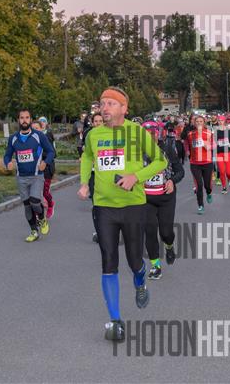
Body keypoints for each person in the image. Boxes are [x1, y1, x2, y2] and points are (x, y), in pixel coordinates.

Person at [77, 87, 167, 341]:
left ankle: (140, 280)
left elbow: (160, 161)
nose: (104, 108)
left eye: (111, 103)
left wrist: (135, 177)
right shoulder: (94, 134)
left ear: (124, 108)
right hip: (104, 206)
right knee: (108, 260)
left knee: (134, 261)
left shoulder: (137, 132)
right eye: (102, 103)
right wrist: (84, 183)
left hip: (133, 206)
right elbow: (87, 157)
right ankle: (115, 320)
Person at [4, 109, 56, 242]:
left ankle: (42, 219)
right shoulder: (13, 138)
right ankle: (34, 231)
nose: (24, 120)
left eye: (27, 117)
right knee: (27, 205)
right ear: (18, 120)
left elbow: (51, 151)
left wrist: (45, 162)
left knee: (35, 202)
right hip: (21, 177)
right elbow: (7, 155)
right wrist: (7, 163)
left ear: (30, 120)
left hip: (36, 175)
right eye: (22, 118)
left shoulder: (39, 135)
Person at [142, 120, 184, 279]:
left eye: (152, 133)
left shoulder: (167, 149)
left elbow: (180, 171)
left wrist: (172, 181)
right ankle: (155, 265)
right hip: (146, 198)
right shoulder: (136, 153)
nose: (150, 136)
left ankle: (169, 245)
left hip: (166, 197)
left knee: (166, 233)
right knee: (150, 231)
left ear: (158, 134)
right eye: (146, 134)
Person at [182, 114, 214, 214]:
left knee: (207, 185)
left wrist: (206, 145)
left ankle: (209, 193)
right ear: (194, 123)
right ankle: (200, 205)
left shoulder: (209, 133)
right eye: (197, 122)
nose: (199, 123)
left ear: (204, 123)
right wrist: (187, 151)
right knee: (199, 185)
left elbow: (213, 145)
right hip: (195, 163)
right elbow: (186, 143)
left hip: (207, 162)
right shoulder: (190, 134)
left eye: (201, 121)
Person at [86, 112, 104, 243]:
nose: (98, 123)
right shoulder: (89, 135)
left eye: (100, 121)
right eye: (95, 121)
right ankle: (99, 231)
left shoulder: (109, 135)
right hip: (93, 174)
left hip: (106, 175)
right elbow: (85, 153)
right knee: (96, 203)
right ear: (92, 123)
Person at [38, 117, 57, 218]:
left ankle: (50, 204)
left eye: (44, 121)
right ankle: (38, 212)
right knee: (35, 191)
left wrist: (44, 159)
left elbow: (52, 152)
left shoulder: (48, 135)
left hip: (47, 166)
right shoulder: (32, 137)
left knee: (45, 191)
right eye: (40, 121)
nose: (42, 123)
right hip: (35, 167)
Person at [213, 115, 230, 193]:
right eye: (219, 120)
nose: (220, 122)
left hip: (227, 153)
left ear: (224, 121)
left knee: (228, 172)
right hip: (219, 153)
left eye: (222, 120)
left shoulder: (229, 131)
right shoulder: (215, 131)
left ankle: (229, 178)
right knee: (222, 171)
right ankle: (224, 187)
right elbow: (214, 142)